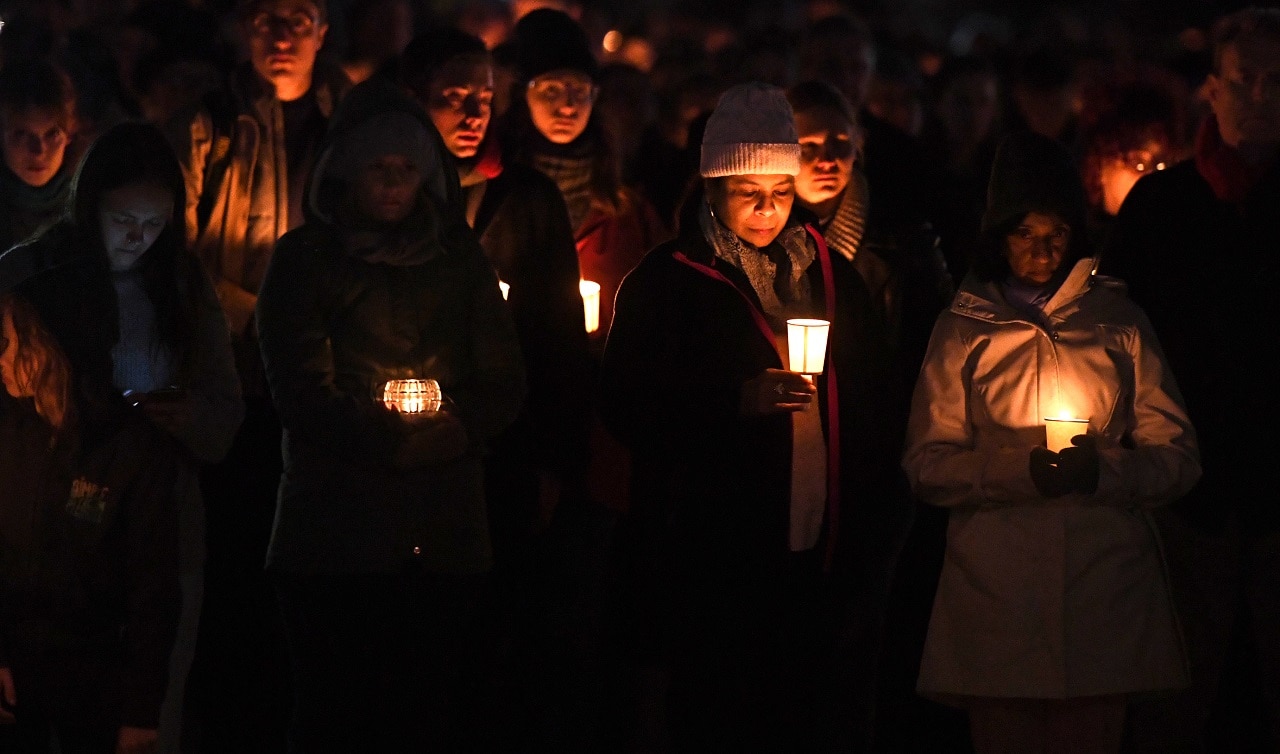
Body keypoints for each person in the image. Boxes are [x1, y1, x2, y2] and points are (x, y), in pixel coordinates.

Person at [599, 81, 897, 751]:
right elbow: (625, 404)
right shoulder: (667, 281)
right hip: (708, 563)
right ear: (712, 190)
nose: (768, 209)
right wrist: (734, 400)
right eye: (748, 192)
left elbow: (877, 401)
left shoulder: (831, 277)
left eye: (782, 192)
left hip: (817, 551)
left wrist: (868, 533)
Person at [902, 130, 1200, 753]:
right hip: (996, 599)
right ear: (998, 236)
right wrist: (1019, 471)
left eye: (1056, 234)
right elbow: (928, 463)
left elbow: (1176, 457)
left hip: (1105, 594)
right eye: (1024, 234)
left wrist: (1104, 474)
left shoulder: (1118, 324)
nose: (1041, 251)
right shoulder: (964, 329)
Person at [255, 76, 526, 752]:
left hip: (444, 534)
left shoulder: (458, 259)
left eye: (407, 168)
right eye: (378, 166)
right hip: (333, 534)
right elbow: (299, 391)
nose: (393, 183)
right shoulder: (304, 261)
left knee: (429, 713)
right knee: (334, 714)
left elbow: (504, 376)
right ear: (346, 169)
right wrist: (386, 441)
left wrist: (455, 429)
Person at [393, 26, 596, 749]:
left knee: (498, 631)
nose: (472, 112)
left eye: (481, 96)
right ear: (416, 99)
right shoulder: (393, 195)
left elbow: (557, 337)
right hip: (408, 452)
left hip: (506, 450)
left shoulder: (528, 198)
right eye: (453, 96)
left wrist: (553, 461)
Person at [161, 0, 350, 745]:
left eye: (298, 16)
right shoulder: (206, 124)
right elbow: (171, 250)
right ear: (244, 27)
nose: (281, 35)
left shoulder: (348, 124)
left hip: (316, 381)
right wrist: (251, 310)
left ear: (322, 30)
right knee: (229, 566)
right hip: (230, 380)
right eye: (267, 16)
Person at [1099, 7, 1280, 750]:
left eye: (1279, 80)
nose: (1264, 95)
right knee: (1179, 683)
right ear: (1213, 89)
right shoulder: (1163, 205)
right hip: (1187, 489)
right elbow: (1116, 335)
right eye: (1248, 79)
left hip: (1278, 486)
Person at [786, 77, 951, 750]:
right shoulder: (757, 247)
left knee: (864, 644)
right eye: (807, 144)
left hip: (875, 470)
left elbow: (933, 358)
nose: (827, 157)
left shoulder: (901, 247)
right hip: (791, 470)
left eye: (840, 142)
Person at [68, 121, 243, 753]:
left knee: (149, 698)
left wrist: (186, 416)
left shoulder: (182, 288)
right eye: (123, 220)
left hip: (158, 522)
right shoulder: (39, 278)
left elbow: (225, 411)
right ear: (91, 207)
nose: (139, 239)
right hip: (54, 519)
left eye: (155, 224)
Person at [0, 240, 183, 753]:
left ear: (50, 346)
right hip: (15, 676)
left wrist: (140, 713)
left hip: (98, 685)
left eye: (10, 340)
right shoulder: (10, 431)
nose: (1, 356)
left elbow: (154, 590)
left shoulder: (129, 450)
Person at [0, 57, 78, 253]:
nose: (39, 150)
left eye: (52, 133)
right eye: (21, 134)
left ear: (69, 134)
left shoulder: (88, 205)